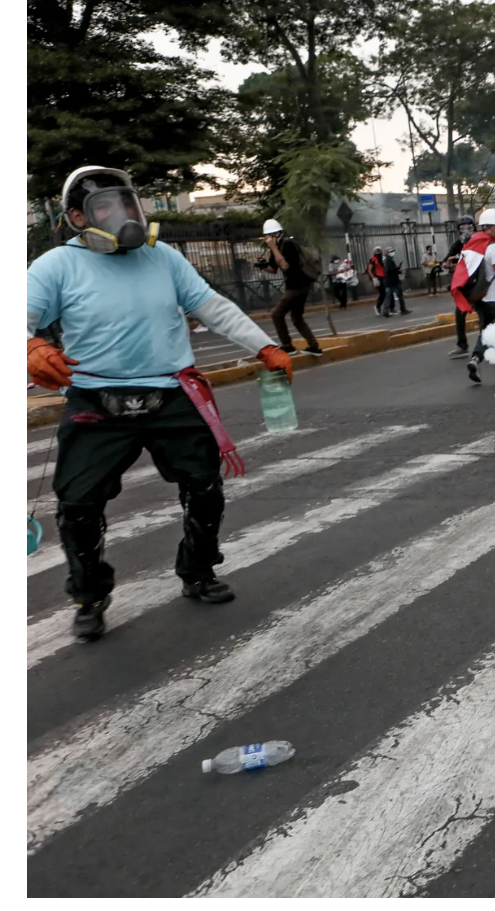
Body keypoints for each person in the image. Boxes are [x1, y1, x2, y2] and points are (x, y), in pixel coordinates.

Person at [27, 166, 295, 641]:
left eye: (127, 202)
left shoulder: (163, 257)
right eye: (105, 206)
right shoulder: (56, 266)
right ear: (77, 217)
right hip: (96, 400)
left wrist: (265, 347)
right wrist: (28, 346)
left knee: (204, 487)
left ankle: (198, 570)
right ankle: (90, 595)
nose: (123, 214)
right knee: (78, 503)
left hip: (171, 392)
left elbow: (212, 306)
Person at [453, 208, 495, 384]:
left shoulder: (472, 247)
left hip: (482, 300)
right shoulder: (494, 248)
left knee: (486, 333)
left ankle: (475, 359)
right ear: (488, 227)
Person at [260, 219, 323, 356]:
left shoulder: (288, 244)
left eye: (269, 235)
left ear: (277, 234)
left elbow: (285, 266)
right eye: (266, 236)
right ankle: (314, 347)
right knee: (296, 317)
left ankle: (288, 346)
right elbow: (274, 269)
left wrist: (274, 249)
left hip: (297, 286)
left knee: (277, 315)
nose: (267, 239)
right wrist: (263, 266)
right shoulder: (277, 247)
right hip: (297, 286)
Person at [446, 218, 472, 358]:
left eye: (469, 227)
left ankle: (491, 344)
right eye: (462, 228)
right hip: (465, 284)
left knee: (487, 314)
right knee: (459, 313)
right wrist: (447, 262)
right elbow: (448, 257)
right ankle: (462, 344)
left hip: (481, 283)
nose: (466, 230)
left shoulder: (478, 241)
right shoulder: (459, 244)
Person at [383, 247, 411, 316]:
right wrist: (398, 268)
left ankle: (386, 311)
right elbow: (390, 270)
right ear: (387, 252)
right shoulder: (389, 260)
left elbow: (390, 271)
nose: (393, 253)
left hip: (388, 281)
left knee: (388, 296)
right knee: (400, 296)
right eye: (391, 251)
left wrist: (398, 271)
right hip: (393, 281)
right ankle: (403, 309)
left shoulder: (386, 260)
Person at [366, 247, 388, 315]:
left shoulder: (383, 259)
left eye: (379, 251)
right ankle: (378, 306)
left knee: (384, 293)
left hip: (383, 277)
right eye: (377, 251)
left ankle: (380, 306)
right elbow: (369, 270)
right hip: (377, 278)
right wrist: (374, 278)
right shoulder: (373, 259)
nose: (378, 253)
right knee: (383, 293)